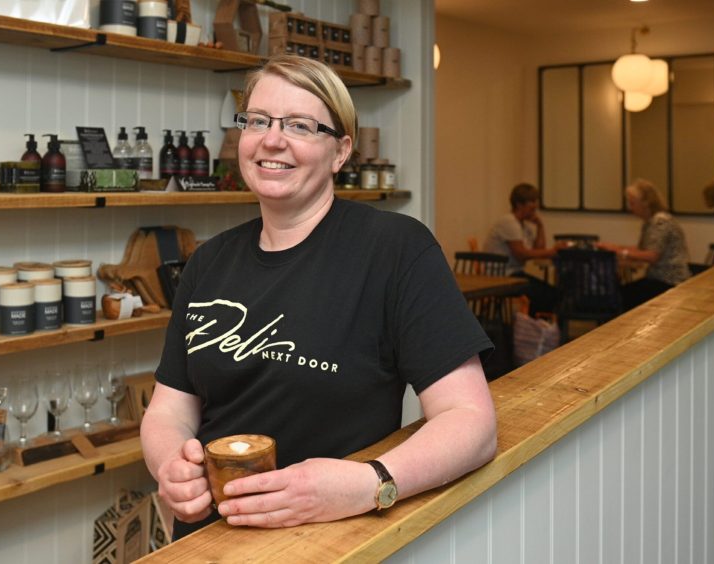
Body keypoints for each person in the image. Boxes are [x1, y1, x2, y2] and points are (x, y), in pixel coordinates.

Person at [140, 55, 497, 540]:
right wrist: (170, 465)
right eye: (258, 120)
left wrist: (368, 483)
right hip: (209, 542)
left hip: (334, 539)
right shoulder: (209, 262)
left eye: (300, 126)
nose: (272, 139)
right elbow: (169, 411)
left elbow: (471, 422)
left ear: (340, 151)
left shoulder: (395, 250)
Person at [597, 179, 691, 310]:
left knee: (619, 297)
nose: (631, 208)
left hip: (669, 282)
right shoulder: (651, 221)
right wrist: (615, 247)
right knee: (623, 293)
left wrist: (620, 252)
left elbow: (652, 256)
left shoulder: (660, 222)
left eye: (633, 203)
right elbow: (642, 249)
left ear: (646, 203)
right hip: (660, 279)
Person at [483, 183, 560, 315]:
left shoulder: (523, 225)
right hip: (502, 275)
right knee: (546, 294)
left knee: (552, 292)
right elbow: (521, 254)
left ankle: (532, 327)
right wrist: (553, 251)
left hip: (515, 273)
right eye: (531, 202)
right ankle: (530, 328)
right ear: (519, 204)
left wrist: (540, 226)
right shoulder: (508, 222)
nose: (535, 205)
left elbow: (538, 250)